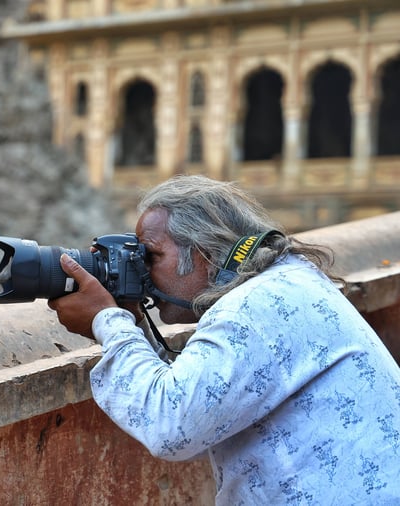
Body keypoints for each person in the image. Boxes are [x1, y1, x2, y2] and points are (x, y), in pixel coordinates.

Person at [48, 175, 400, 504]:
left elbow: (173, 425)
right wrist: (134, 324)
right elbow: (210, 411)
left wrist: (105, 320)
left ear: (206, 253)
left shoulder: (252, 308)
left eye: (152, 256)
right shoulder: (282, 283)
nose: (143, 272)